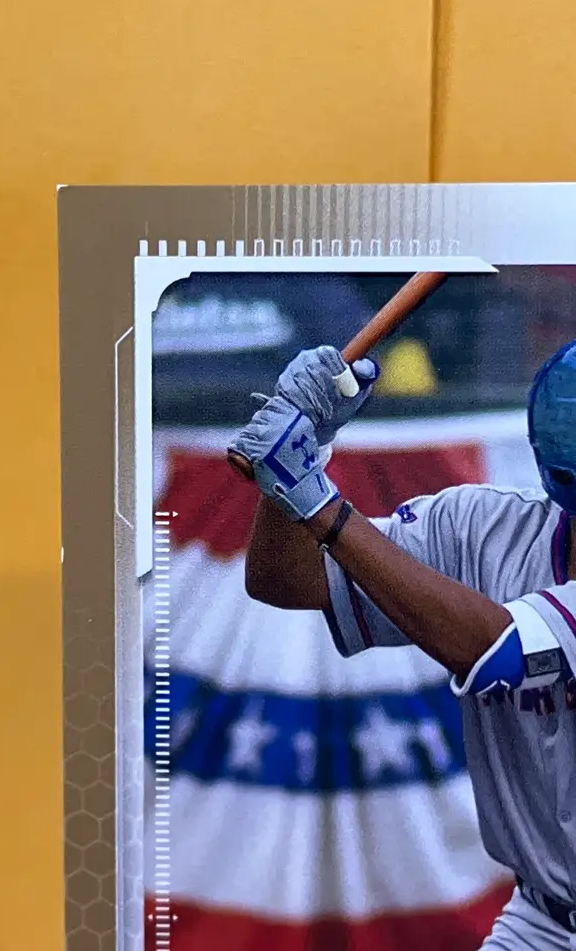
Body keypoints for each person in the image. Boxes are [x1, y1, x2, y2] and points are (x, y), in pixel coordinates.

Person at [228, 341, 576, 951]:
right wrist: (304, 454)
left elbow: (496, 651)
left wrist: (320, 504)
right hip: (544, 917)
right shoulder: (483, 530)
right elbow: (284, 579)